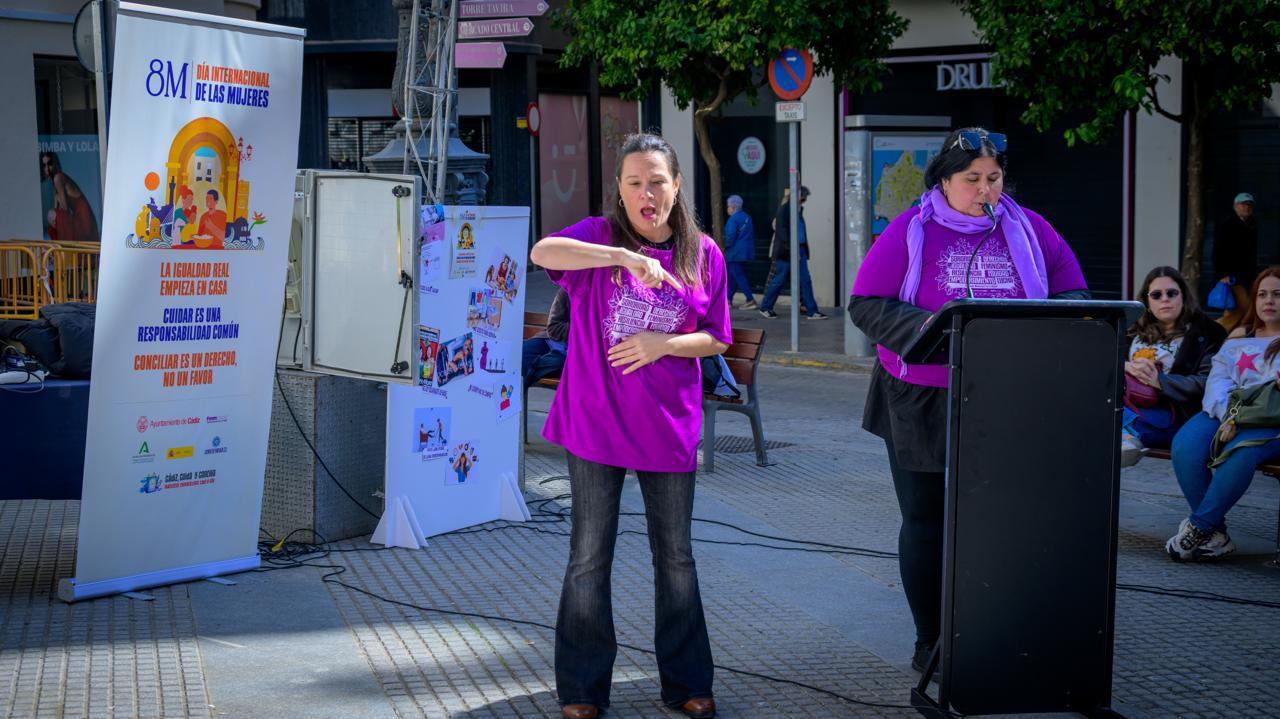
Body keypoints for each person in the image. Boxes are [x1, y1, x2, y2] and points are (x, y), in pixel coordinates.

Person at [847, 127, 1089, 674]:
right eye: (972, 179)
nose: (985, 189)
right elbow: (865, 303)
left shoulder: (1029, 228)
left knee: (1000, 514)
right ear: (945, 181)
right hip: (921, 397)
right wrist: (942, 330)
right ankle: (930, 638)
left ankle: (993, 623)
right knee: (927, 518)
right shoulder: (912, 229)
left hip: (1006, 395)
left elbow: (1073, 289)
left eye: (994, 178)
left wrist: (1042, 329)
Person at [529, 132, 729, 719]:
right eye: (635, 181)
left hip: (668, 429)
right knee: (589, 556)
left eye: (657, 181)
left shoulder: (704, 252)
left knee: (677, 559)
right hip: (595, 424)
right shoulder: (596, 237)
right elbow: (542, 252)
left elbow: (717, 335)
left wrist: (662, 343)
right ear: (619, 188)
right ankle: (583, 690)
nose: (647, 192)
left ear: (676, 187)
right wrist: (621, 256)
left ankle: (687, 682)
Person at [1168, 266, 1280, 560]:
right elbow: (1218, 379)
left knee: (1241, 451)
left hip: (1272, 419)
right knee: (1185, 446)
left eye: (1278, 295)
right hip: (1229, 412)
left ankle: (1198, 526)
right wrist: (1228, 415)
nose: (1269, 301)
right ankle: (1216, 533)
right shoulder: (1241, 336)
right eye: (1262, 294)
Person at [1120, 267, 1228, 466]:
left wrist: (1160, 382)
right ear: (1147, 301)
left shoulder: (1208, 333)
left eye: (1172, 293)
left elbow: (1210, 382)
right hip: (1128, 404)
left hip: (1175, 414)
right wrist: (1125, 365)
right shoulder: (1130, 330)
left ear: (1183, 297)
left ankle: (1125, 436)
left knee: (1108, 422)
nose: (1165, 299)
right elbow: (1104, 364)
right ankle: (1124, 437)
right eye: (1156, 295)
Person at [759, 186, 827, 319]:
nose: (804, 201)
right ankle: (766, 307)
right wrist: (791, 250)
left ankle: (812, 311)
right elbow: (782, 232)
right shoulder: (784, 210)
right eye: (803, 198)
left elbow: (801, 232)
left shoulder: (798, 211)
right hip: (787, 251)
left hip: (799, 249)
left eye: (805, 199)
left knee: (805, 280)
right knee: (779, 279)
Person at [1211, 192, 1258, 330]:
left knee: (1237, 308)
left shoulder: (1252, 224)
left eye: (1250, 205)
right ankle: (1214, 331)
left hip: (1247, 276)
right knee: (1241, 306)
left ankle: (1233, 336)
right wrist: (1222, 274)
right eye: (1243, 204)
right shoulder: (1227, 224)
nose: (1247, 208)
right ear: (1235, 206)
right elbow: (1218, 252)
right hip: (1231, 276)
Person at [40, 151, 99, 244]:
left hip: (84, 221)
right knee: (52, 221)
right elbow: (57, 209)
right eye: (44, 165)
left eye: (49, 164)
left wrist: (57, 200)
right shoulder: (54, 182)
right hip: (80, 219)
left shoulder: (58, 178)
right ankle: (58, 250)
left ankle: (62, 250)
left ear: (54, 164)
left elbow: (65, 208)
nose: (47, 169)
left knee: (51, 215)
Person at [522, 287, 570, 388]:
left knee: (557, 362)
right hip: (549, 341)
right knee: (518, 355)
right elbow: (554, 329)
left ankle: (530, 371)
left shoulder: (605, 297)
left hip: (573, 354)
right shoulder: (567, 289)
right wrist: (582, 327)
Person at [723, 194, 757, 309]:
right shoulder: (747, 217)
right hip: (745, 251)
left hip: (734, 253)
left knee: (738, 275)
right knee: (733, 276)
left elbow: (730, 236)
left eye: (728, 206)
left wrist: (724, 245)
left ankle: (750, 299)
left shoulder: (733, 219)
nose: (727, 208)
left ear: (733, 207)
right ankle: (728, 300)